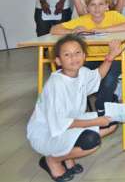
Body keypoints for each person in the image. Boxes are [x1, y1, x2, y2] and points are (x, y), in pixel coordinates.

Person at [27, 35, 120, 182]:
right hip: (47, 133)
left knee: (112, 122)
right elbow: (62, 123)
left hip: (69, 123)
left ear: (84, 56)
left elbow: (98, 75)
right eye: (67, 54)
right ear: (58, 60)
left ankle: (68, 159)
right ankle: (52, 159)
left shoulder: (81, 72)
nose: (73, 58)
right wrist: (95, 121)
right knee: (91, 141)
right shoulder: (56, 85)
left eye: (77, 53)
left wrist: (110, 56)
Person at [50, 0, 125, 115]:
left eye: (101, 4)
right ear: (87, 8)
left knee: (109, 78)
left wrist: (101, 30)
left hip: (116, 57)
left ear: (107, 6)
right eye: (93, 5)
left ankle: (101, 107)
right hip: (91, 59)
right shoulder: (83, 19)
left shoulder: (113, 15)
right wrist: (73, 30)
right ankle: (73, 108)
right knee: (72, 71)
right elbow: (54, 29)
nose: (97, 8)